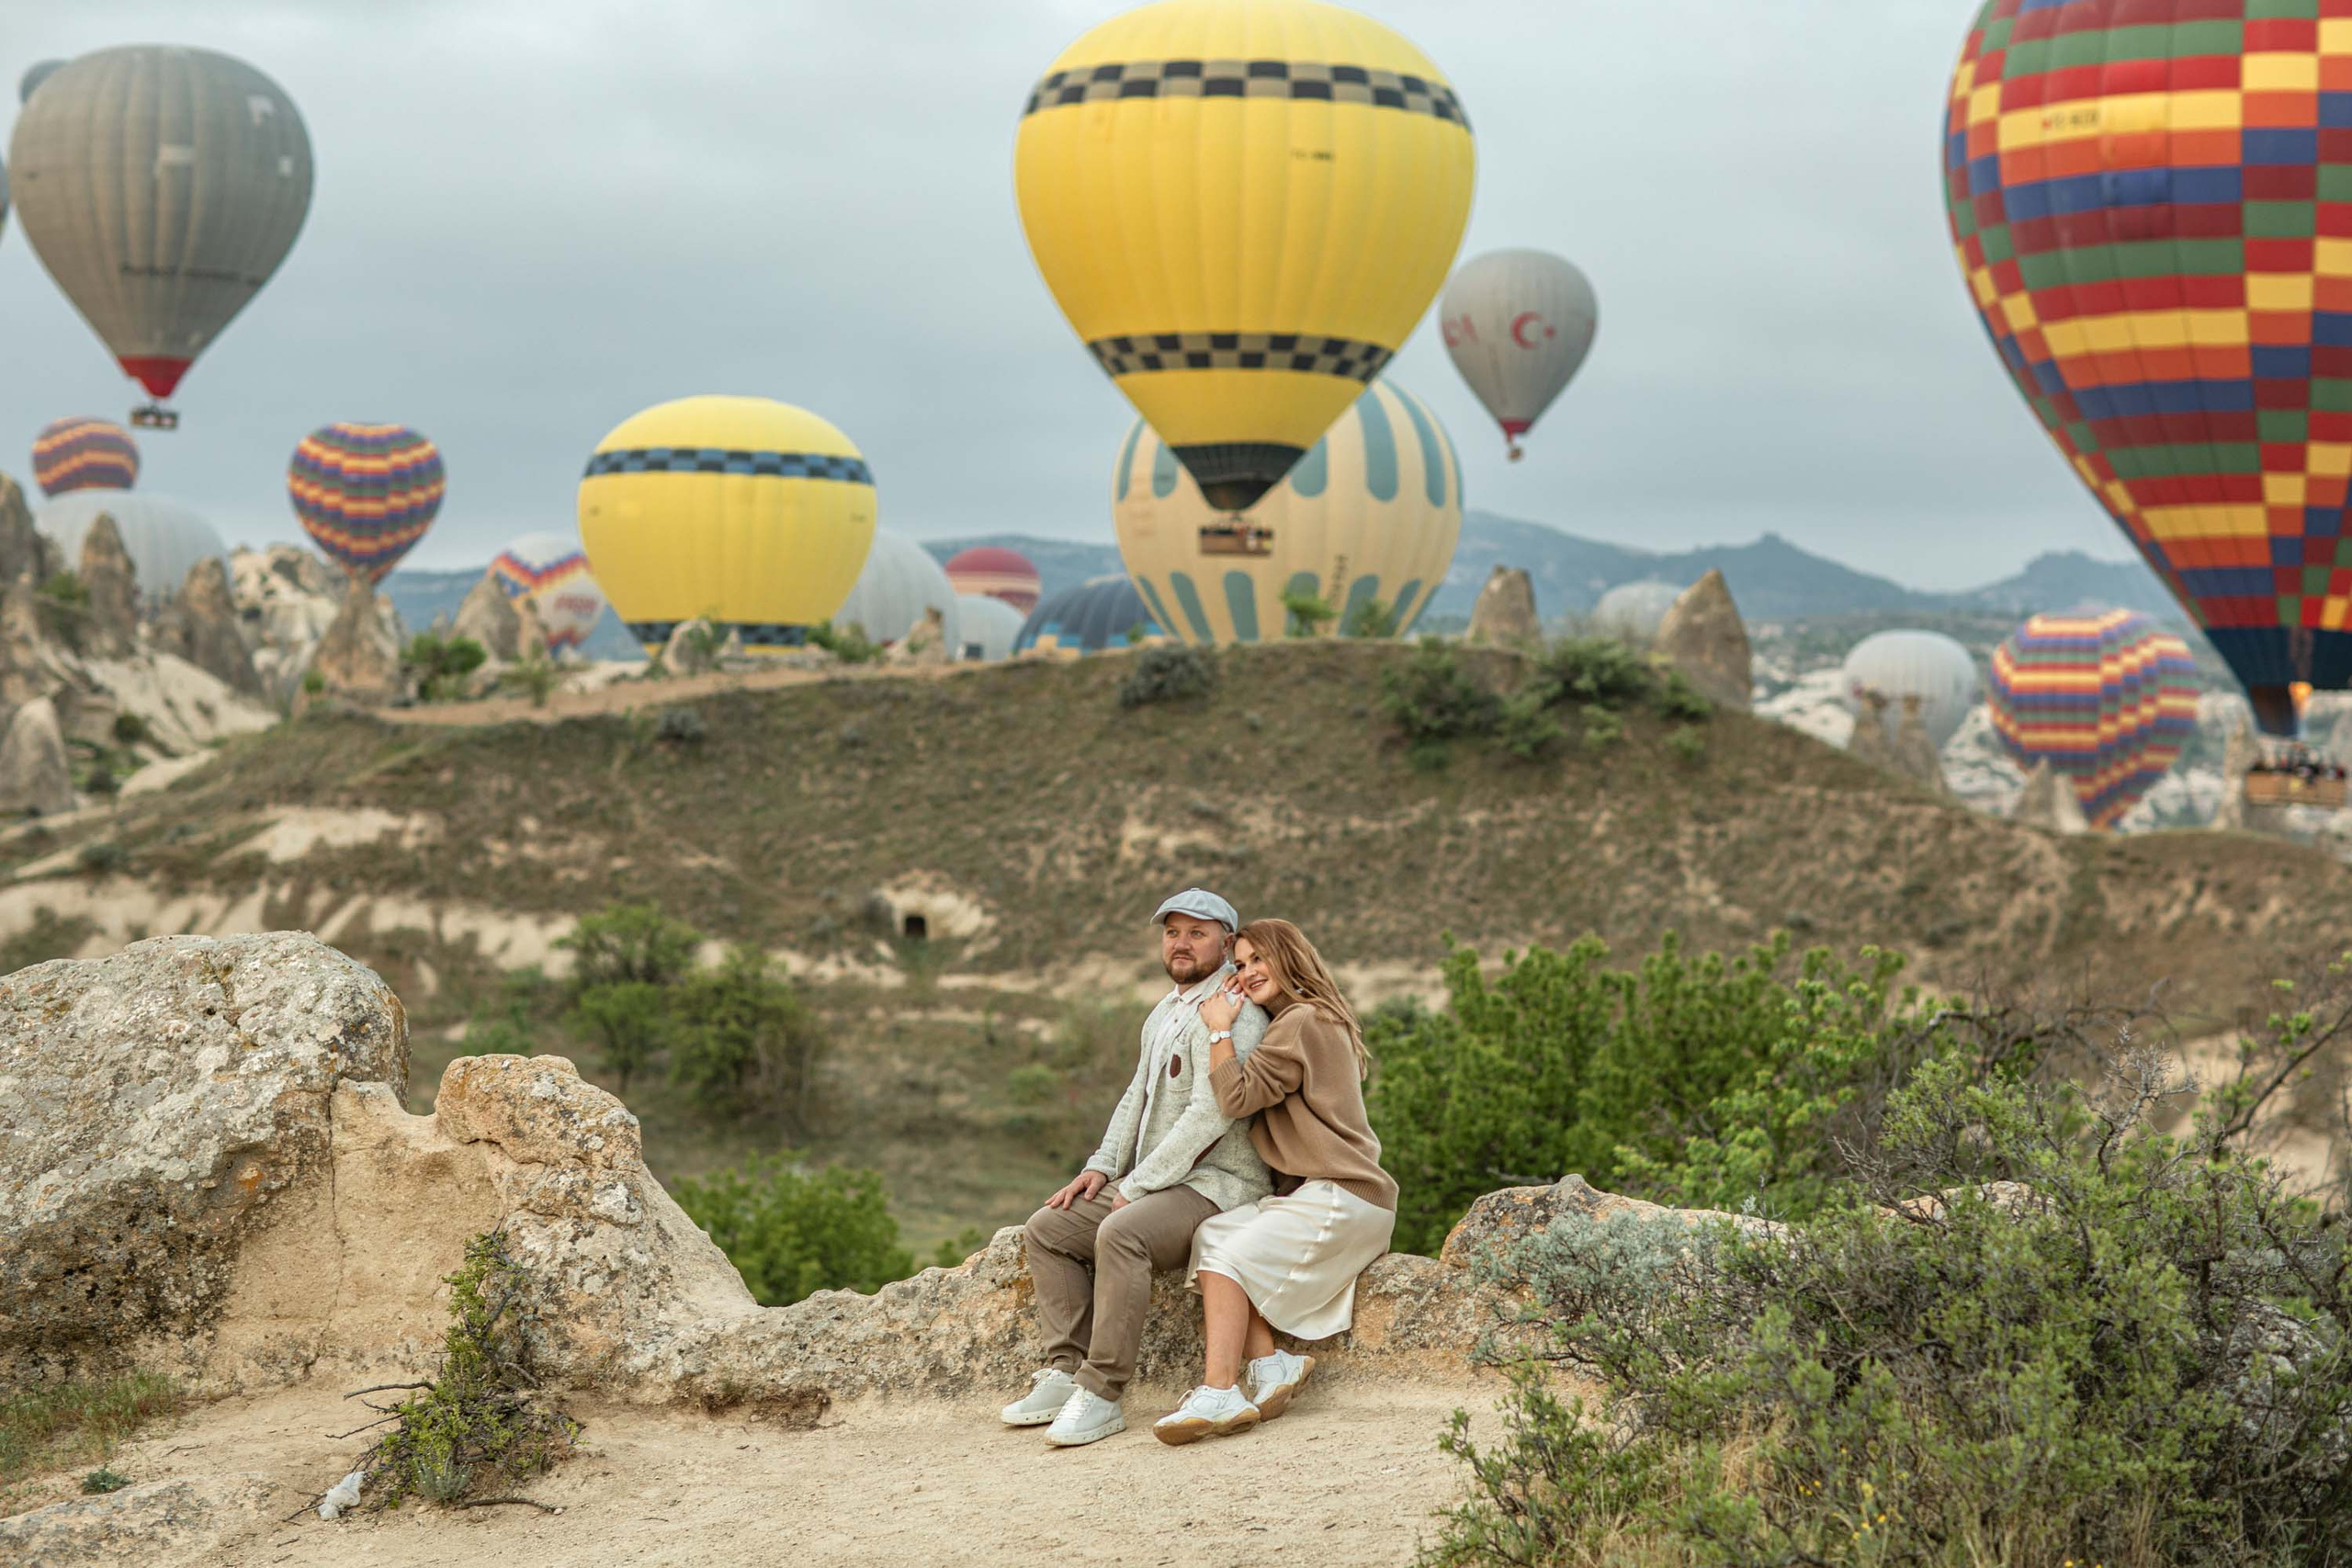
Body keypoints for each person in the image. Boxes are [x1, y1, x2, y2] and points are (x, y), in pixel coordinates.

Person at [999, 888, 1273, 1447]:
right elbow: (1136, 1095)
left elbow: (1212, 1115)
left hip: (1219, 1184)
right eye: (1173, 932)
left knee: (1122, 1232)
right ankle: (1063, 1370)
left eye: (1198, 933)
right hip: (1159, 1180)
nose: (1181, 943)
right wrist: (1102, 1167)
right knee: (1048, 1230)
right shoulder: (1165, 1010)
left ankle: (1101, 1395)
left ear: (1226, 941)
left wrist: (1140, 1185)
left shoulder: (1235, 1014)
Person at [1151, 919, 1397, 1445]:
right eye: (1239, 965)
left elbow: (1234, 1098)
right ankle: (1269, 1365)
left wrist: (1219, 1028)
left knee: (1224, 1257)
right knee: (1211, 1235)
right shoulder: (1308, 1018)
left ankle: (1218, 1388)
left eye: (1259, 959)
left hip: (1345, 1193)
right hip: (1324, 1194)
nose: (1248, 972)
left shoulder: (1301, 1020)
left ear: (1289, 958)